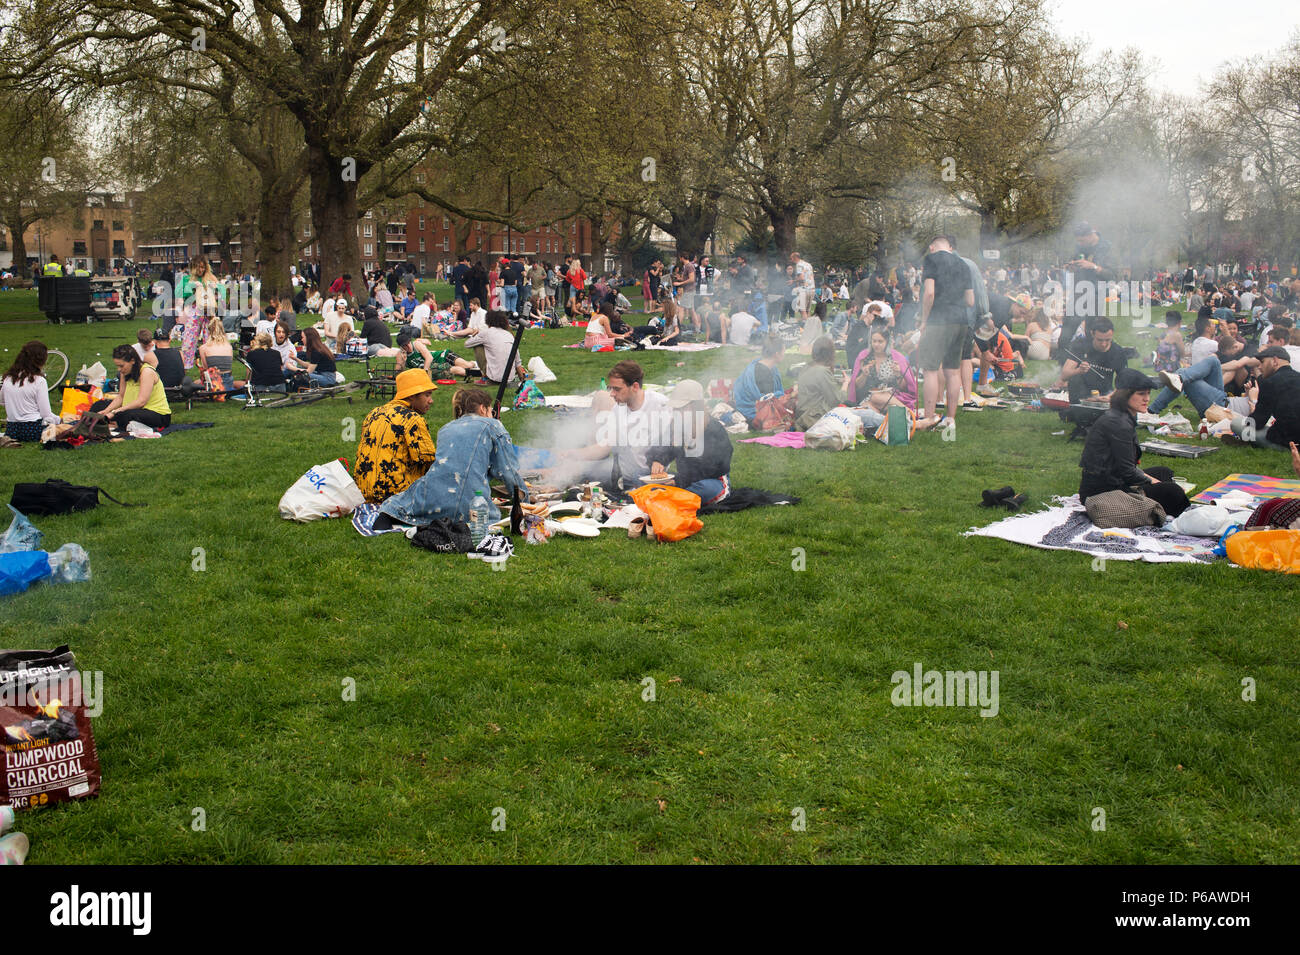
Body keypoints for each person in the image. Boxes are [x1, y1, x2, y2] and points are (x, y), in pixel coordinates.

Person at [378, 387, 524, 529]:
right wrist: (524, 499)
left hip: (431, 499)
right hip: (467, 507)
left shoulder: (446, 428)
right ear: (482, 408)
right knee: (474, 505)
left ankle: (389, 514)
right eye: (490, 410)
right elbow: (508, 470)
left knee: (404, 498)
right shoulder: (493, 425)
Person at [1078, 368, 1188, 516]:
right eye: (1141, 394)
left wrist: (1156, 482)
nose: (1147, 399)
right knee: (1172, 491)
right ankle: (1177, 512)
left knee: (1164, 472)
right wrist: (1158, 484)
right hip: (1102, 490)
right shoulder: (1117, 422)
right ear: (1125, 396)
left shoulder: (1124, 415)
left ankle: (1170, 505)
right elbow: (1128, 471)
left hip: (1114, 478)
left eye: (1148, 393)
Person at [564, 360, 672, 488]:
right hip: (627, 478)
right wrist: (573, 453)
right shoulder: (617, 409)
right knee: (581, 477)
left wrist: (659, 460)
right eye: (611, 388)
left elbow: (674, 441)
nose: (612, 394)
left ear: (635, 387)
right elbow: (605, 446)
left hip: (653, 478)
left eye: (617, 389)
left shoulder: (660, 405)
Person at [353, 368, 439, 503]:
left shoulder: (374, 413)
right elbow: (428, 460)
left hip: (363, 492)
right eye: (427, 395)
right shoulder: (412, 418)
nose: (431, 400)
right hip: (396, 495)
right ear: (412, 395)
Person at [916, 234, 974, 428]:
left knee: (930, 369)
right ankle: (950, 419)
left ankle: (930, 417)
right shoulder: (963, 265)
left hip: (939, 320)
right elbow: (970, 301)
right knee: (953, 371)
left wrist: (924, 320)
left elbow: (929, 293)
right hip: (961, 321)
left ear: (932, 247)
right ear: (950, 247)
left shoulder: (931, 259)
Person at [646, 379, 733, 506]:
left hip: (711, 481)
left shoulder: (713, 429)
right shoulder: (676, 424)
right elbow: (664, 446)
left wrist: (679, 481)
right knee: (639, 476)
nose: (677, 411)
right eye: (676, 408)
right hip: (684, 480)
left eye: (681, 407)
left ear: (695, 405)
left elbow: (712, 469)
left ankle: (671, 496)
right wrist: (657, 460)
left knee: (705, 489)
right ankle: (675, 495)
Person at [1230, 346, 1300, 450]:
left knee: (1236, 424)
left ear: (1275, 361)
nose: (1259, 367)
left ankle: (1246, 440)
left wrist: (1251, 413)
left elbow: (1257, 422)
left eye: (1262, 362)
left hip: (1287, 442)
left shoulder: (1270, 382)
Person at [98, 344, 172, 432]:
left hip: (157, 414)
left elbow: (141, 401)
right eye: (117, 366)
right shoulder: (124, 373)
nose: (119, 369)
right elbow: (121, 396)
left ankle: (113, 424)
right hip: (134, 409)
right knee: (98, 406)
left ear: (132, 361)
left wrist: (115, 412)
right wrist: (106, 411)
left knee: (124, 415)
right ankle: (111, 423)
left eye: (121, 366)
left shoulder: (146, 372)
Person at [1057, 317, 1127, 404]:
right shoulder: (1081, 345)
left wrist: (1110, 397)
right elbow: (1064, 376)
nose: (1103, 344)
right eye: (1100, 340)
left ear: (1112, 334)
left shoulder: (1118, 352)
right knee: (1076, 380)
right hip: (1080, 395)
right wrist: (1079, 370)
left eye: (1108, 340)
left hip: (1104, 395)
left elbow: (1124, 383)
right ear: (1092, 334)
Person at [1, 341, 59, 443]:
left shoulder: (8, 379)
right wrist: (59, 420)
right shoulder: (39, 381)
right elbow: (46, 414)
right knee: (70, 425)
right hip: (33, 429)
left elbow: (1, 401)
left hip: (12, 430)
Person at [731, 336, 786, 428]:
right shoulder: (763, 372)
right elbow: (767, 401)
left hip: (750, 408)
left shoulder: (763, 365)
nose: (784, 354)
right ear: (776, 354)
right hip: (753, 413)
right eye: (783, 351)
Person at [792, 336, 844, 431]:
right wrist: (846, 384)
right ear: (830, 353)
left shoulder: (806, 367)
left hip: (801, 415)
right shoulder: (823, 371)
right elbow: (835, 401)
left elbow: (814, 385)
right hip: (814, 418)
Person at [466, 310, 525, 386]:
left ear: (488, 320)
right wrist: (521, 378)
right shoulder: (509, 335)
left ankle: (485, 377)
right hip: (509, 377)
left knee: (477, 345)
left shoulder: (486, 333)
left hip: (494, 377)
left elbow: (467, 344)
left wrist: (475, 334)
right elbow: (517, 360)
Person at [196, 319, 237, 391]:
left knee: (195, 383)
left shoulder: (203, 348)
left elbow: (206, 369)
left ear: (209, 331)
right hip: (228, 382)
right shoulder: (229, 347)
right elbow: (229, 367)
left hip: (213, 383)